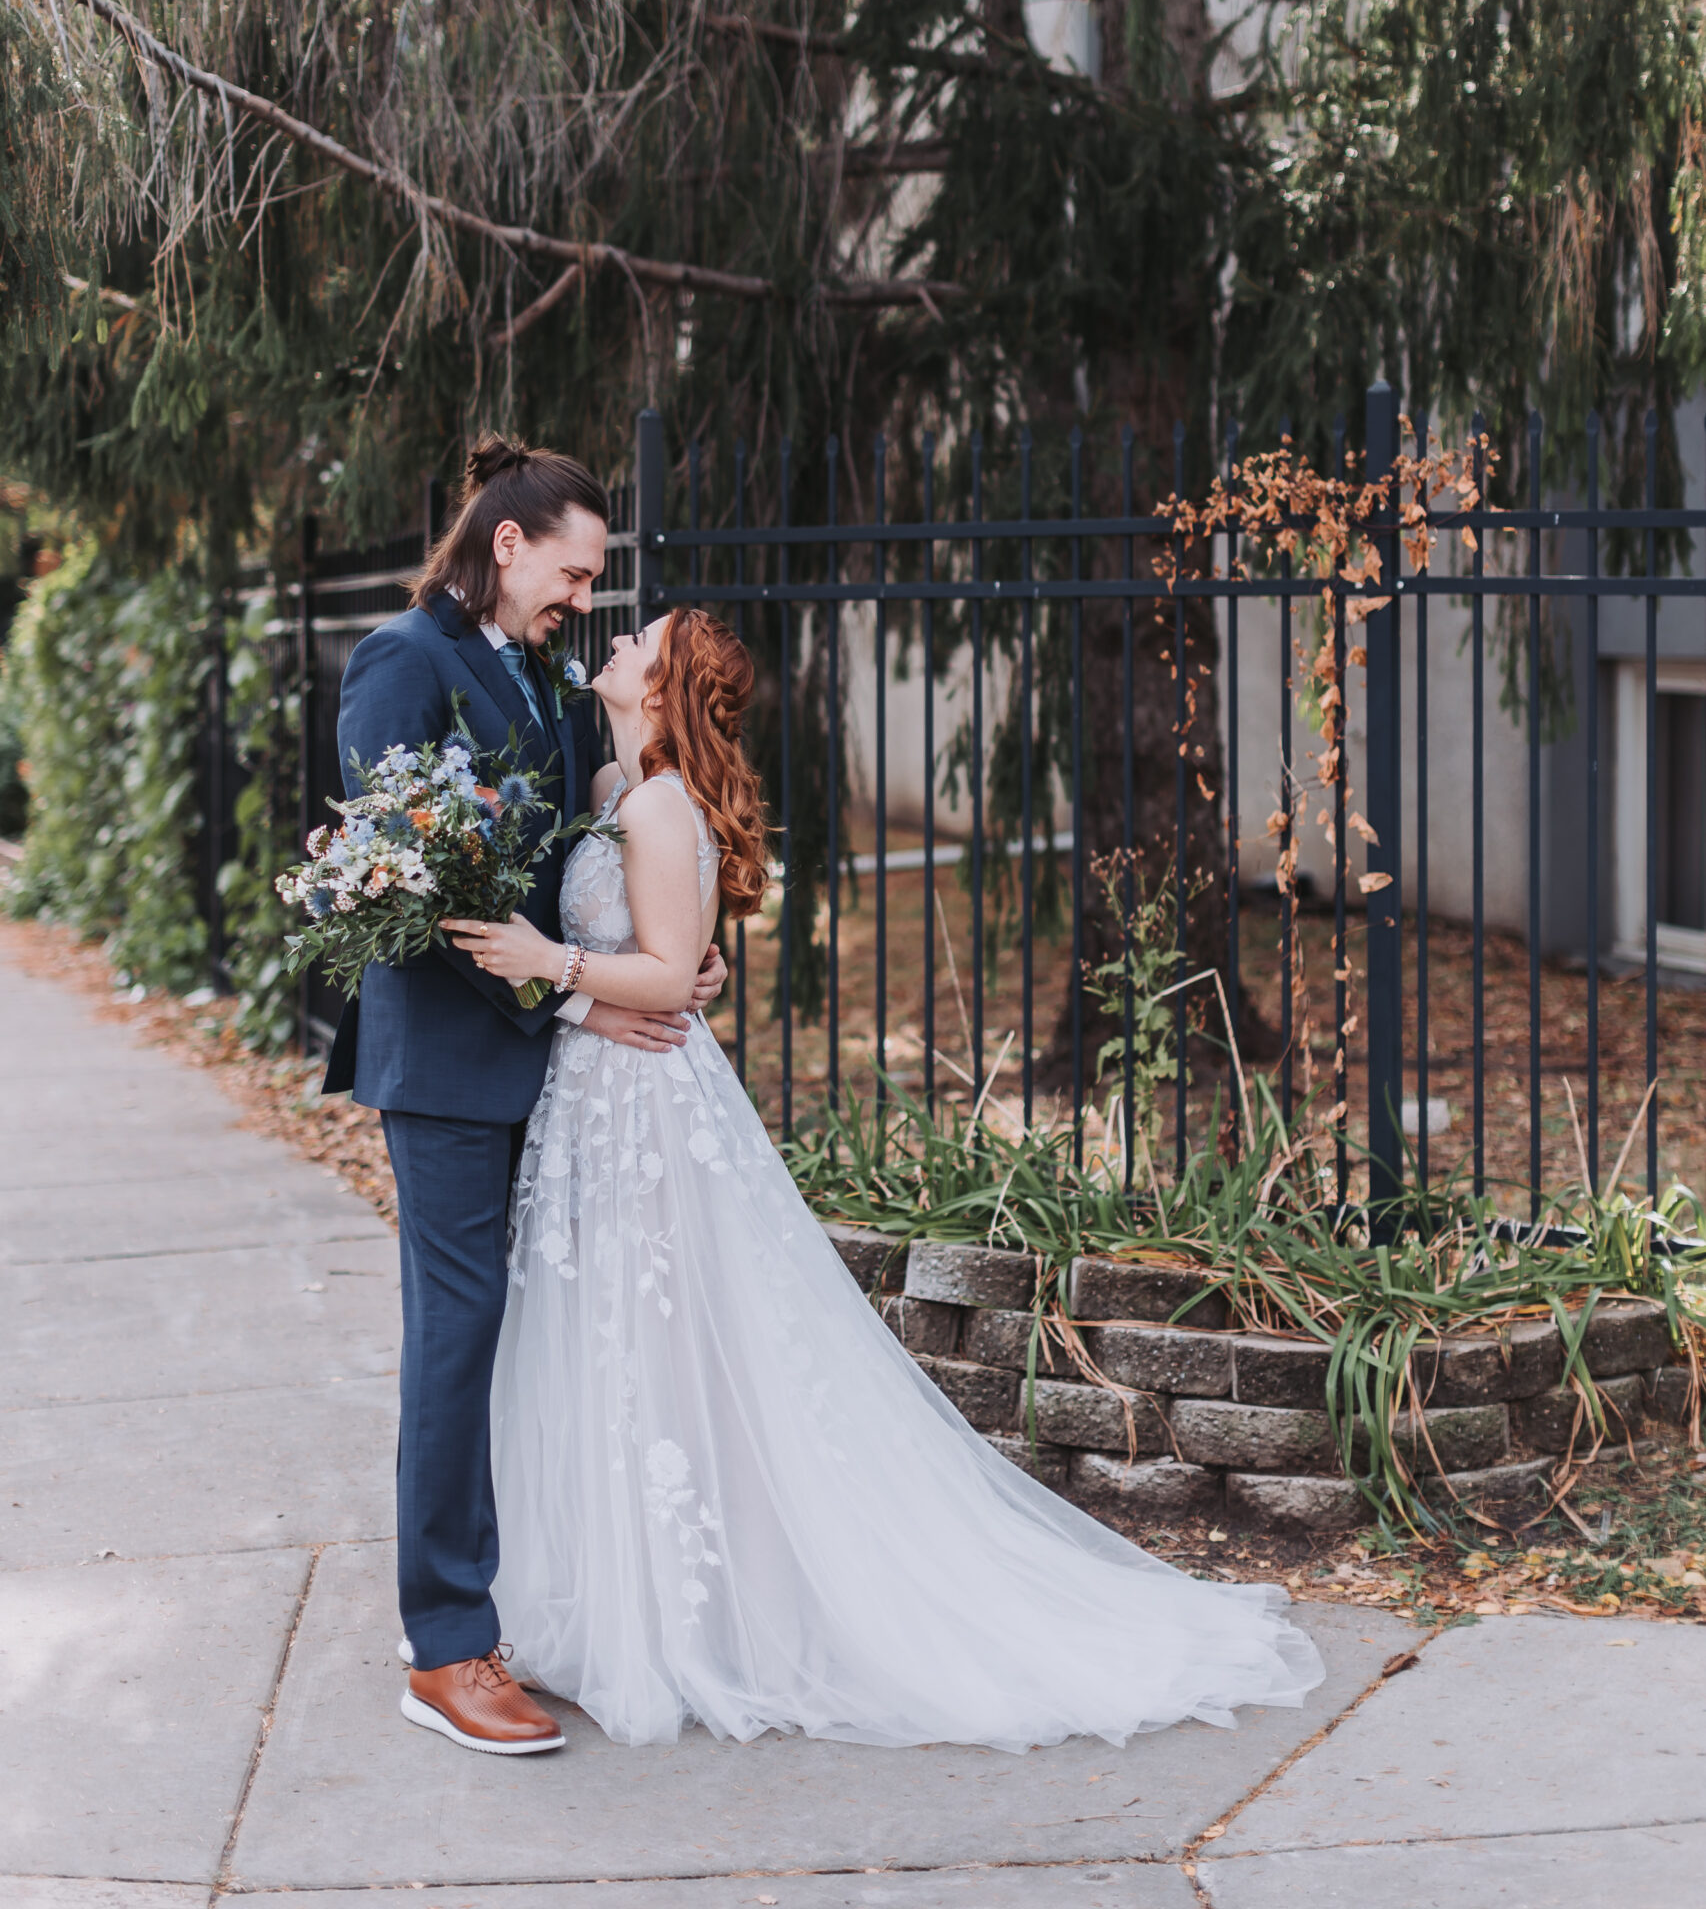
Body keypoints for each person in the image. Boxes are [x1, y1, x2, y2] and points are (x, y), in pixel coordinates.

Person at [448, 607, 1325, 1753]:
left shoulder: (659, 807)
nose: (612, 639)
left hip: (644, 1106)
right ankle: (626, 1589)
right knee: (612, 1342)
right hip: (596, 1095)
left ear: (660, 686)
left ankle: (697, 1612)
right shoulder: (622, 784)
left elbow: (669, 972)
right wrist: (594, 977)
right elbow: (674, 955)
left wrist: (549, 960)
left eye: (638, 639)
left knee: (663, 1343)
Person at [327, 437, 726, 1759]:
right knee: (458, 1333)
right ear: (509, 544)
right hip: (443, 1071)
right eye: (574, 568)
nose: (584, 596)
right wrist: (577, 995)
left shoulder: (551, 682)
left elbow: (573, 858)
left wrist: (670, 951)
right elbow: (409, 884)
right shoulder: (403, 661)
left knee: (523, 1337)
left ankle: (503, 1603)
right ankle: (442, 1649)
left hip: (551, 1080)